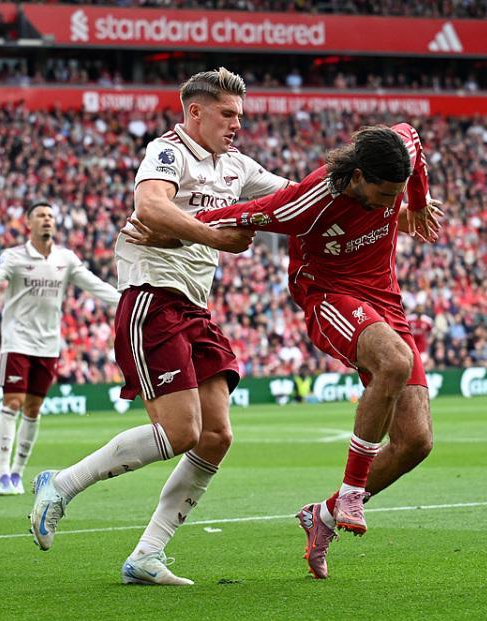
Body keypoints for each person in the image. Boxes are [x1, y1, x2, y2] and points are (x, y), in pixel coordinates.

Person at [28, 67, 290, 585]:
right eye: (227, 114)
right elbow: (150, 206)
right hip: (151, 299)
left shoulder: (237, 166)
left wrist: (381, 200)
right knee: (181, 431)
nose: (237, 124)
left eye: (239, 115)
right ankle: (61, 484)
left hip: (194, 309)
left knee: (215, 436)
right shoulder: (168, 152)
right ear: (195, 112)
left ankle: (147, 555)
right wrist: (216, 236)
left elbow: (295, 197)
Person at [180, 124, 443, 579]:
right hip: (328, 295)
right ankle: (353, 492)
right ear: (357, 176)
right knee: (395, 361)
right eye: (384, 196)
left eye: (395, 195)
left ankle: (323, 515)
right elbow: (238, 214)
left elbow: (415, 141)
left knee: (416, 442)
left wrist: (417, 202)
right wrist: (163, 224)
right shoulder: (310, 200)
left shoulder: (397, 152)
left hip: (385, 299)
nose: (390, 204)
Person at [0, 202, 119, 495]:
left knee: (33, 408)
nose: (47, 219)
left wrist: (127, 302)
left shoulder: (66, 259)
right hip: (17, 341)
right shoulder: (14, 257)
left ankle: (17, 472)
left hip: (49, 344)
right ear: (29, 223)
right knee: (12, 402)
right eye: (41, 215)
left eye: (51, 215)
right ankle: (3, 474)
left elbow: (95, 285)